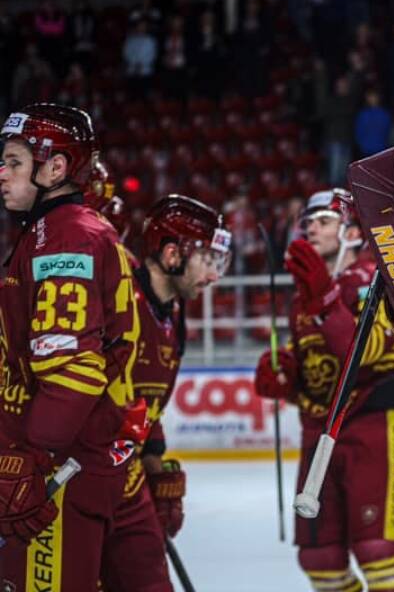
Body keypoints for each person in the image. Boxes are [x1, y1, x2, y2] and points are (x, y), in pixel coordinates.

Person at [0, 103, 140, 588]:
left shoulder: (69, 236)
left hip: (58, 472)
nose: (2, 172)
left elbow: (74, 371)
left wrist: (35, 461)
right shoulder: (43, 232)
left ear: (55, 168)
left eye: (16, 161)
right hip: (51, 462)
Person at [254, 189, 394, 592]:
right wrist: (285, 378)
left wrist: (326, 299)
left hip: (371, 428)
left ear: (354, 232)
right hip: (319, 433)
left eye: (324, 221)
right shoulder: (302, 294)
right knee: (319, 557)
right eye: (308, 221)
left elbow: (373, 351)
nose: (311, 228)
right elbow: (312, 367)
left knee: (379, 554)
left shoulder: (374, 279)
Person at [97, 194, 231, 591]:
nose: (212, 276)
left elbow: (148, 409)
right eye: (207, 260)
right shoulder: (118, 304)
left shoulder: (173, 315)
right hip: (85, 476)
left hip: (127, 477)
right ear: (173, 254)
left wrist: (154, 462)